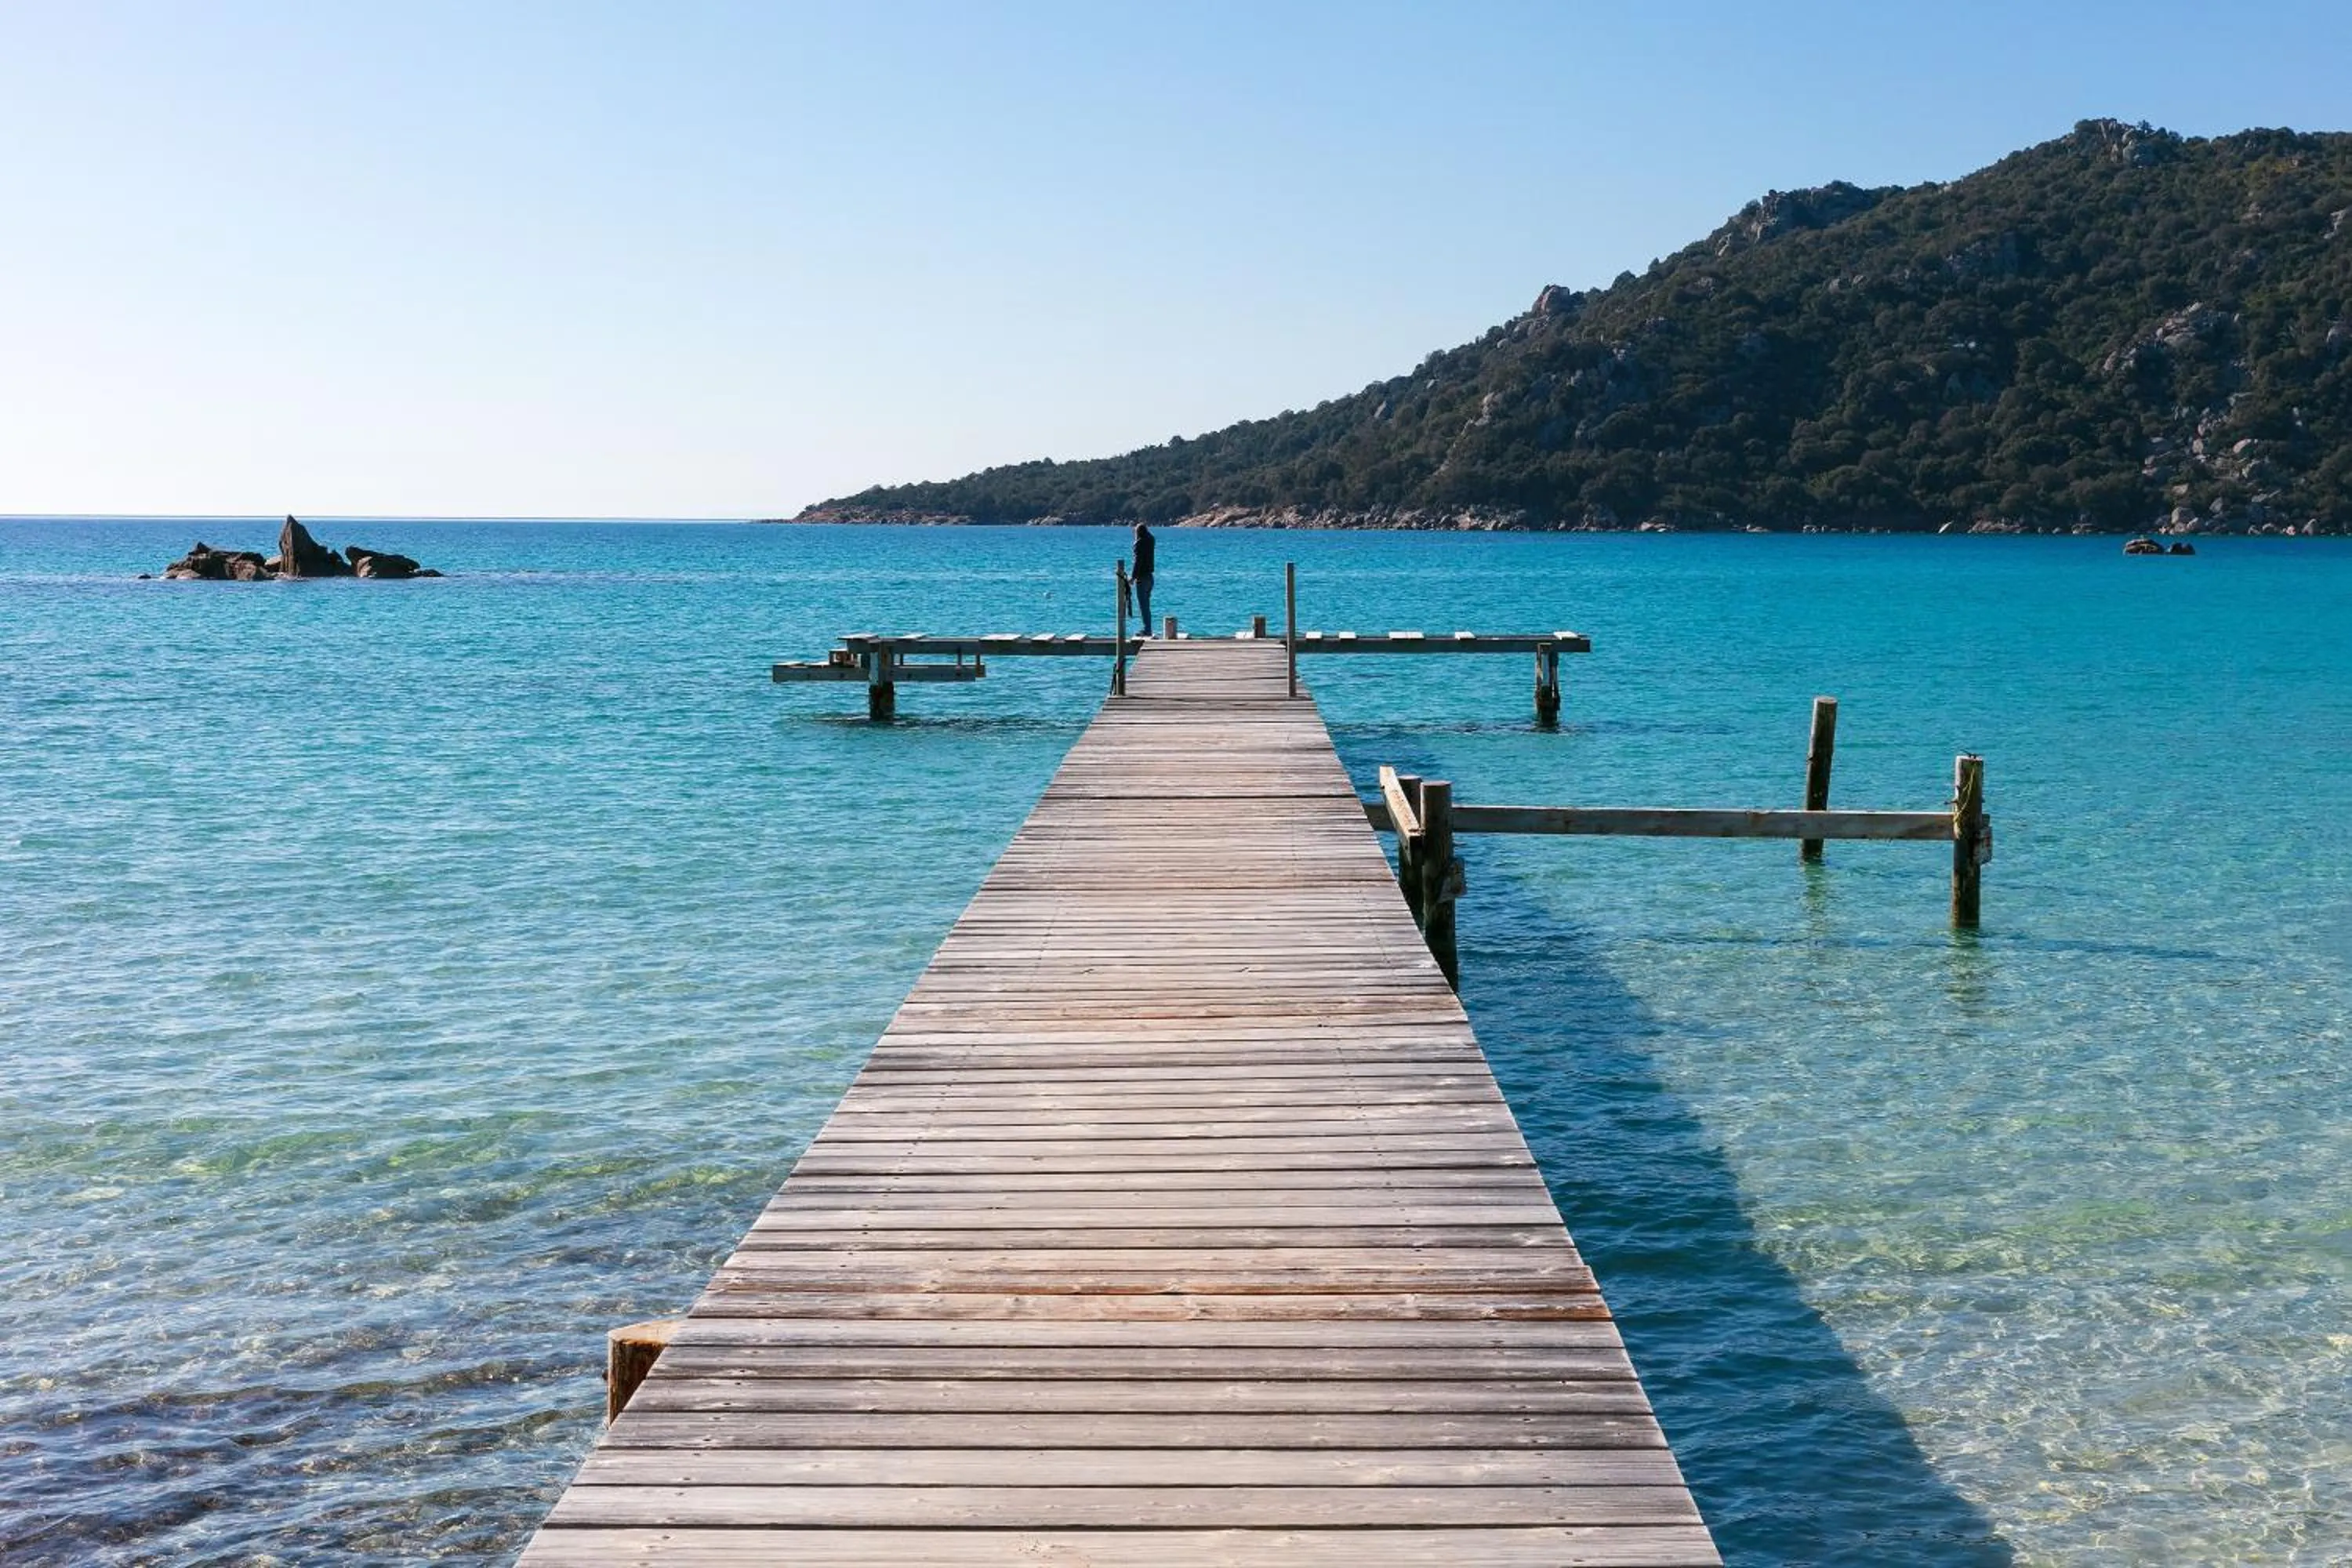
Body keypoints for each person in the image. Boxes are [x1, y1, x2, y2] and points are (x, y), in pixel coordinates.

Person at [1131, 522, 1156, 633]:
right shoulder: (1151, 541)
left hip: (1142, 578)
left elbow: (1138, 562)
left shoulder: (1139, 544)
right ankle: (1148, 628)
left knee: (1143, 606)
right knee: (1147, 605)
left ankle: (1147, 629)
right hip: (1150, 577)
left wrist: (1132, 577)